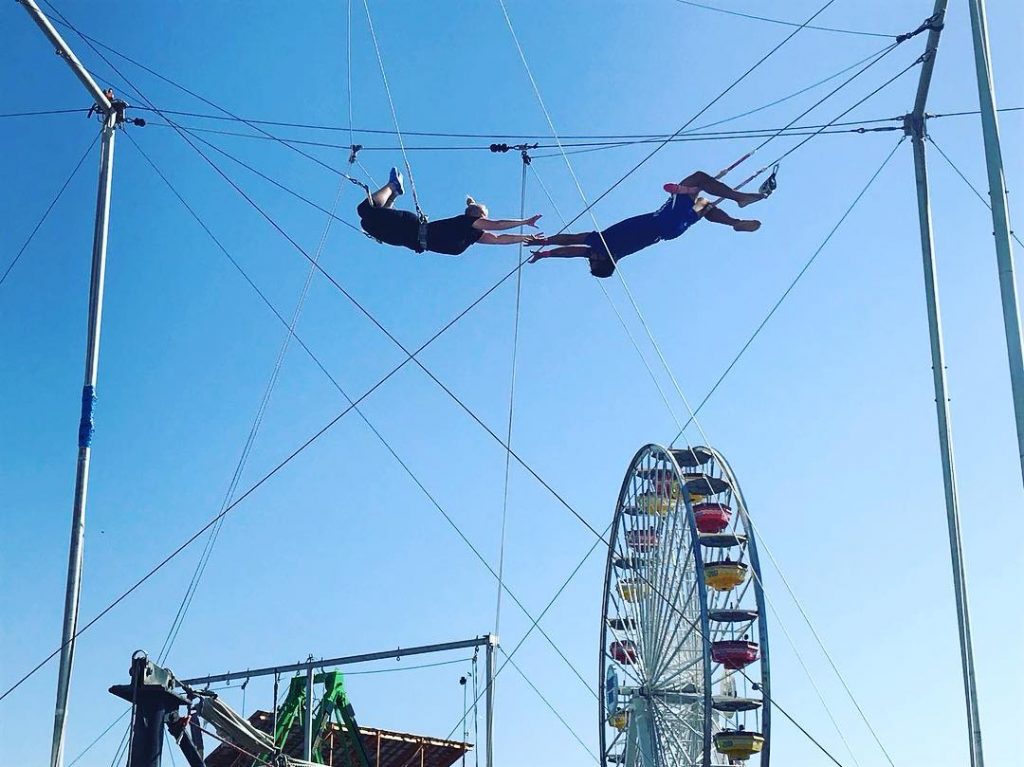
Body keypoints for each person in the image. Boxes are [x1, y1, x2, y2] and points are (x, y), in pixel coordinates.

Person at [528, 170, 765, 278]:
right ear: (603, 261)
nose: (589, 259)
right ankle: (739, 198)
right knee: (698, 179)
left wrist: (546, 253)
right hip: (662, 221)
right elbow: (570, 244)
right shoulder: (602, 245)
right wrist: (546, 243)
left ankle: (734, 222)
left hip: (671, 231)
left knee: (703, 204)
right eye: (592, 262)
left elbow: (569, 252)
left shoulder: (608, 250)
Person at [357, 167, 545, 255]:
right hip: (410, 226)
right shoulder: (465, 222)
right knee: (364, 210)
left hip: (410, 241)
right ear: (478, 215)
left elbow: (500, 239)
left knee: (366, 223)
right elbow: (498, 226)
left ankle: (392, 195)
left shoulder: (474, 236)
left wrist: (525, 238)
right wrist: (524, 222)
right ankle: (393, 186)